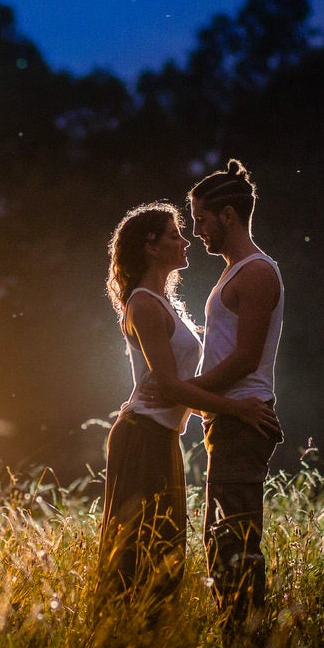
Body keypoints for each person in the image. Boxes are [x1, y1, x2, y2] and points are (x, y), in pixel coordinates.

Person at [98, 201, 279, 616]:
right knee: (140, 547)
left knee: (163, 544)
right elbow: (169, 387)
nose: (186, 241)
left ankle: (151, 643)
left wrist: (212, 406)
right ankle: (124, 643)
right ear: (152, 247)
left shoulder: (164, 303)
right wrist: (235, 410)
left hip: (161, 437)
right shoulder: (142, 304)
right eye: (175, 234)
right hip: (141, 435)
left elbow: (176, 389)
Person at [149, 159, 284, 641]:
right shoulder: (234, 273)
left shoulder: (256, 273)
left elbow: (246, 359)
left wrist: (188, 393)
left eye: (201, 220)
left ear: (228, 216)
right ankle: (239, 641)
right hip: (228, 419)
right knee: (220, 537)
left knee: (235, 541)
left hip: (245, 418)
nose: (196, 231)